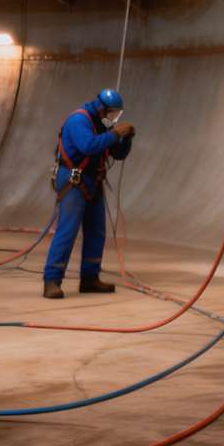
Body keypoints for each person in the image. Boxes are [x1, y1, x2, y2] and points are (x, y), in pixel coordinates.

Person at [44, 88, 135, 299]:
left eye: (117, 115)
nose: (113, 118)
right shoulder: (79, 120)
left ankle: (90, 278)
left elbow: (117, 154)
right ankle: (52, 280)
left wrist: (127, 139)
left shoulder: (101, 124)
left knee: (97, 231)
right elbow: (88, 146)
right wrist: (115, 133)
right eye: (112, 113)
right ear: (102, 108)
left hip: (93, 181)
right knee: (67, 231)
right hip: (74, 181)